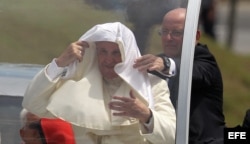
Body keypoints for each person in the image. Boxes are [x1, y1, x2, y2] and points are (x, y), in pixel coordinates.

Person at [22, 22, 176, 144]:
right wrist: (60, 63)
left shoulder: (152, 84)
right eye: (103, 51)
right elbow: (32, 103)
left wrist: (145, 115)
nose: (109, 60)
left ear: (127, 55)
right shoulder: (77, 82)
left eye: (116, 53)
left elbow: (172, 136)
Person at [134, 8, 225, 144]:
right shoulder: (157, 62)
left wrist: (165, 64)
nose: (168, 38)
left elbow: (193, 72)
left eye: (176, 33)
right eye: (164, 32)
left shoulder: (205, 60)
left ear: (196, 36)